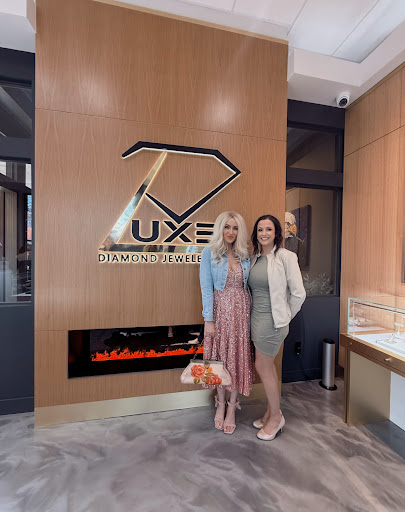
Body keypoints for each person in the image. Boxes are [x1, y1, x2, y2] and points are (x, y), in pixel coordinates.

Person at [248, 214, 305, 441]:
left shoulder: (286, 257)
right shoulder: (255, 258)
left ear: (276, 233)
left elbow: (299, 293)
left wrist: (285, 316)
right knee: (268, 367)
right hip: (256, 320)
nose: (264, 233)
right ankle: (269, 413)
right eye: (260, 229)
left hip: (272, 323)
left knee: (262, 366)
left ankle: (276, 418)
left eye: (268, 229)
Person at [199, 211, 252, 434]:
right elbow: (206, 288)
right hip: (220, 312)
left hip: (242, 314)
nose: (231, 232)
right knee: (220, 357)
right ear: (220, 229)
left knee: (237, 358)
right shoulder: (209, 253)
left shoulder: (245, 254)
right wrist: (208, 320)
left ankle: (232, 406)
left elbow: (250, 286)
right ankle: (220, 403)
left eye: (235, 227)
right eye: (227, 227)